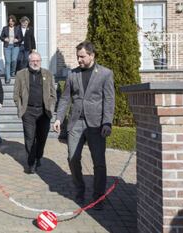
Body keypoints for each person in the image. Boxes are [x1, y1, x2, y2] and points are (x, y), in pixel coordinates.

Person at [53, 41, 115, 210]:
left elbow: (109, 100)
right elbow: (65, 98)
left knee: (99, 162)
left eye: (82, 57)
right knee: (72, 158)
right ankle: (80, 189)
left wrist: (107, 122)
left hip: (96, 125)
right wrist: (59, 118)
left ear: (91, 55)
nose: (79, 60)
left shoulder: (105, 74)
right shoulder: (72, 74)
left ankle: (98, 196)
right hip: (76, 123)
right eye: (77, 57)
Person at [13, 52, 57, 174]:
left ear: (40, 61)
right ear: (29, 61)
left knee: (42, 138)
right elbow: (16, 95)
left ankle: (38, 157)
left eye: (37, 60)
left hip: (44, 112)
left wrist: (51, 108)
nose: (35, 63)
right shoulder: (21, 74)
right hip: (28, 112)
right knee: (29, 138)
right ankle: (31, 163)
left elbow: (53, 94)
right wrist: (21, 108)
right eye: (33, 61)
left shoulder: (48, 74)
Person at [0, 15, 22, 84]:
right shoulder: (5, 28)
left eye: (12, 21)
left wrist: (17, 40)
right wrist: (4, 39)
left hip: (15, 46)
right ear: (8, 22)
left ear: (14, 22)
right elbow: (1, 37)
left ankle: (12, 72)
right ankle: (8, 78)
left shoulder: (18, 29)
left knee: (14, 60)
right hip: (7, 47)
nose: (11, 22)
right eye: (10, 21)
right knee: (7, 62)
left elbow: (21, 38)